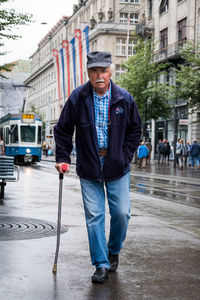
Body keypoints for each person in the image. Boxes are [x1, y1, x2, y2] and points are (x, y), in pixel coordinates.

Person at [54, 51, 142, 283]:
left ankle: (113, 251)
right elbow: (62, 130)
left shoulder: (124, 98)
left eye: (103, 70)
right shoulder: (78, 98)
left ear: (110, 72)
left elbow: (135, 130)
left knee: (122, 214)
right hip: (90, 165)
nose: (99, 75)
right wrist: (63, 157)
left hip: (117, 165)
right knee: (95, 216)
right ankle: (101, 263)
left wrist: (124, 156)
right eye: (94, 71)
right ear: (88, 73)